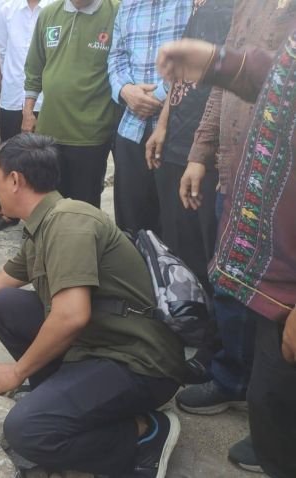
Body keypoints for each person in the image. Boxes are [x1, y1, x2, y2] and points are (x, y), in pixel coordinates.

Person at [0, 133, 186, 478]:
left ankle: (145, 433)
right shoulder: (45, 223)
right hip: (99, 343)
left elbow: (71, 316)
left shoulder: (69, 224)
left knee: (25, 431)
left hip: (138, 363)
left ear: (16, 180)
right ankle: (62, 400)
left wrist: (17, 373)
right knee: (6, 303)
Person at [157, 27, 296, 478]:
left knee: (277, 403)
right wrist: (220, 61)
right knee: (270, 400)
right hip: (275, 273)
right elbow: (283, 83)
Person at [143, 0, 233, 295]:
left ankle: (211, 328)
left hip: (206, 152)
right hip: (178, 142)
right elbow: (181, 77)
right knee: (178, 237)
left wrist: (212, 152)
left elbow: (229, 87)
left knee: (209, 244)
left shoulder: (230, 9)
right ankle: (188, 311)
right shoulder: (200, 8)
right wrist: (163, 126)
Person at [21, 0, 120, 212]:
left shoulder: (115, 12)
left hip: (90, 134)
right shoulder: (49, 14)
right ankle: (48, 245)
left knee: (84, 207)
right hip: (49, 132)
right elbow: (34, 67)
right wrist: (28, 112)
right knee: (47, 203)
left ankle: (82, 245)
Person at [108, 0, 193, 234]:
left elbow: (198, 59)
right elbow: (116, 57)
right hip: (131, 129)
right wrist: (125, 91)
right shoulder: (127, 6)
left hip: (177, 134)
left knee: (175, 228)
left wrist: (157, 96)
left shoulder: (192, 4)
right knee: (131, 224)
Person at [0, 0, 46, 233]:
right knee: (11, 156)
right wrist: (1, 85)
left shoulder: (56, 6)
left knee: (42, 159)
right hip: (11, 94)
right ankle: (8, 211)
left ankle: (40, 219)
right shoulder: (0, 6)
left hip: (45, 97)